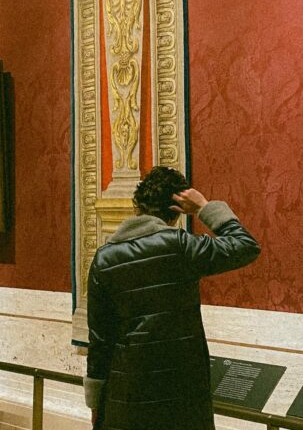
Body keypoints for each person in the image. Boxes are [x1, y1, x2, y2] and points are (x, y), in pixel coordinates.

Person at [84, 166, 261, 430]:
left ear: (138, 206)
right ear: (178, 210)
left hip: (126, 387)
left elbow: (99, 339)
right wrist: (203, 206)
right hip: (181, 384)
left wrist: (96, 401)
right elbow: (246, 246)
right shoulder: (180, 246)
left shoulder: (104, 258)